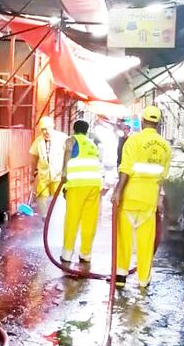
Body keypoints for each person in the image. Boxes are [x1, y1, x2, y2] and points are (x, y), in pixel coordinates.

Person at [111, 105, 170, 289]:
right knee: (146, 243)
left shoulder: (134, 140)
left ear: (143, 121)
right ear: (157, 123)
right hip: (149, 201)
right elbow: (162, 177)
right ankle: (144, 281)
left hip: (130, 198)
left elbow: (125, 169)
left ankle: (120, 278)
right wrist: (159, 200)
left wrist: (117, 191)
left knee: (124, 240)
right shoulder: (166, 147)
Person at [60, 119, 103, 263]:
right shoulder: (91, 144)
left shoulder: (71, 140)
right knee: (89, 220)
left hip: (78, 184)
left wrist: (64, 174)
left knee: (73, 218)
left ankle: (67, 254)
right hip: (94, 185)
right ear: (86, 130)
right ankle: (86, 254)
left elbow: (67, 153)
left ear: (74, 129)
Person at [29, 116, 68, 219]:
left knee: (58, 198)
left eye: (47, 128)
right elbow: (34, 158)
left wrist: (67, 171)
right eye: (43, 129)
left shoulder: (62, 138)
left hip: (58, 175)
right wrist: (32, 174)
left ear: (52, 127)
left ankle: (56, 217)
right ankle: (45, 217)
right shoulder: (38, 141)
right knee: (40, 196)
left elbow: (69, 154)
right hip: (44, 175)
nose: (45, 132)